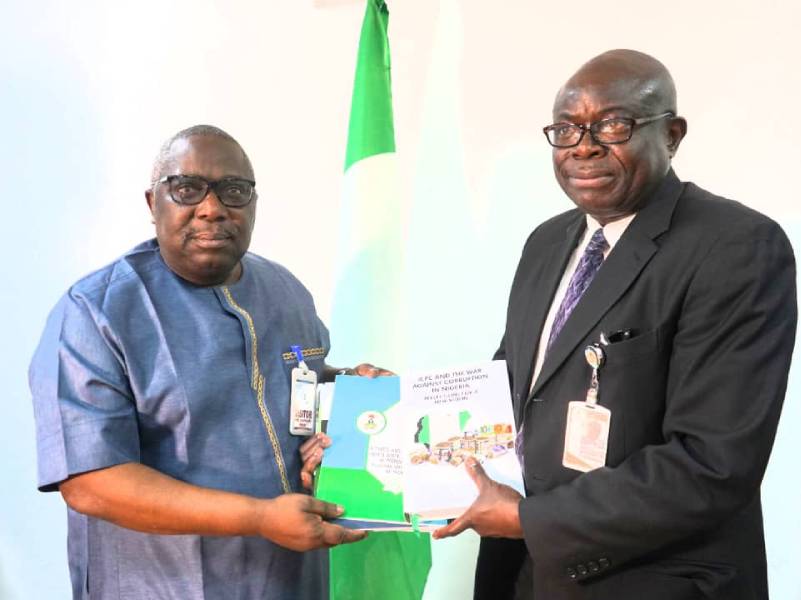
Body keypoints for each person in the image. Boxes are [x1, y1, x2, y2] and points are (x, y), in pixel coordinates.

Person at [433, 50, 797, 600]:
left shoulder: (736, 247)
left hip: (653, 580)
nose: (583, 144)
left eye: (612, 124)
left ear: (672, 135)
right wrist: (381, 425)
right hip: (528, 573)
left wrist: (534, 521)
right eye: (567, 128)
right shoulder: (547, 242)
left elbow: (712, 462)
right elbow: (507, 396)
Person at [29, 125, 388, 599]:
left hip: (289, 580)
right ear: (152, 203)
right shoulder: (95, 313)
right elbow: (92, 482)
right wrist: (259, 517)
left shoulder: (285, 290)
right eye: (187, 188)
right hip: (162, 585)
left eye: (234, 191)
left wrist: (354, 391)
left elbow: (293, 380)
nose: (213, 207)